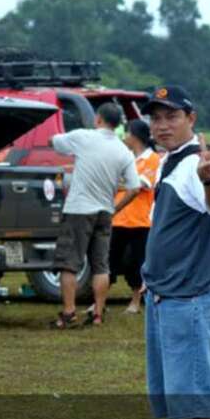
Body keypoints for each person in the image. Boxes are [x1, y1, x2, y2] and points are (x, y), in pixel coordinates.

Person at [140, 85, 210, 419]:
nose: (162, 125)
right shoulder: (168, 161)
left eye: (172, 116)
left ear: (191, 119)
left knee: (196, 395)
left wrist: (209, 181)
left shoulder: (195, 164)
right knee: (179, 398)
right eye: (156, 118)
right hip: (163, 295)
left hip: (187, 298)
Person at [48, 102, 141, 328]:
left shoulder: (84, 137)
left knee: (69, 264)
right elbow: (135, 187)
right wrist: (115, 209)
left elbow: (55, 142)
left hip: (79, 209)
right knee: (101, 265)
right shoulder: (123, 150)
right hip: (105, 212)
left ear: (98, 119)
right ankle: (98, 313)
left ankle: (69, 313)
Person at [109, 119, 161, 314]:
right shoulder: (128, 159)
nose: (124, 138)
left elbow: (141, 185)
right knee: (109, 262)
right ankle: (99, 301)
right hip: (119, 219)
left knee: (137, 263)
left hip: (140, 221)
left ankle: (136, 302)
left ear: (135, 136)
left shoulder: (152, 159)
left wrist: (117, 184)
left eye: (127, 133)